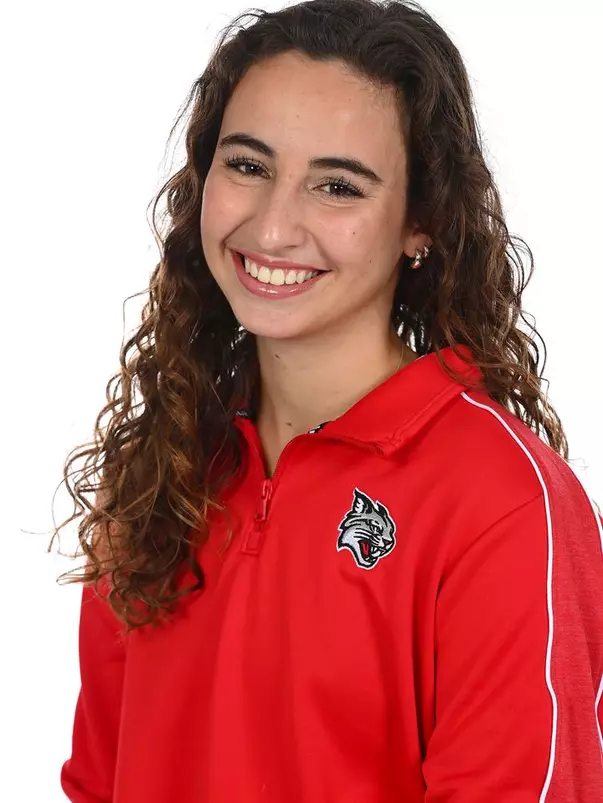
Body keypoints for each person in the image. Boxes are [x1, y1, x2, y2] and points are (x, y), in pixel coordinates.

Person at [54, 0, 603, 800]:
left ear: (422, 221)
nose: (273, 228)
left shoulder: (501, 503)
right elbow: (100, 782)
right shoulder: (158, 469)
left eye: (337, 186)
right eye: (246, 165)